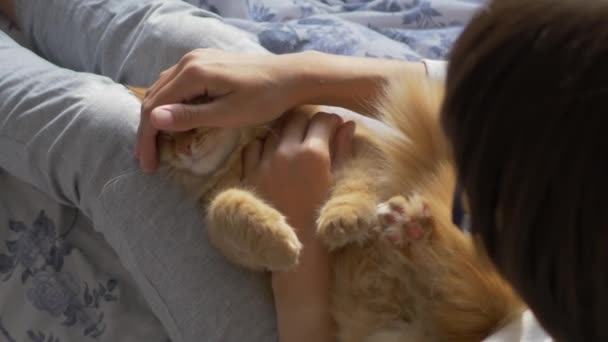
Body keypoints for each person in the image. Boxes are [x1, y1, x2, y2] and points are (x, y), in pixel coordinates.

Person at [138, 0, 606, 341]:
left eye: (469, 203)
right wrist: (302, 74)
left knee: (90, 116)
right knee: (185, 45)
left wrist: (300, 264)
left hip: (319, 306)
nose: (455, 200)